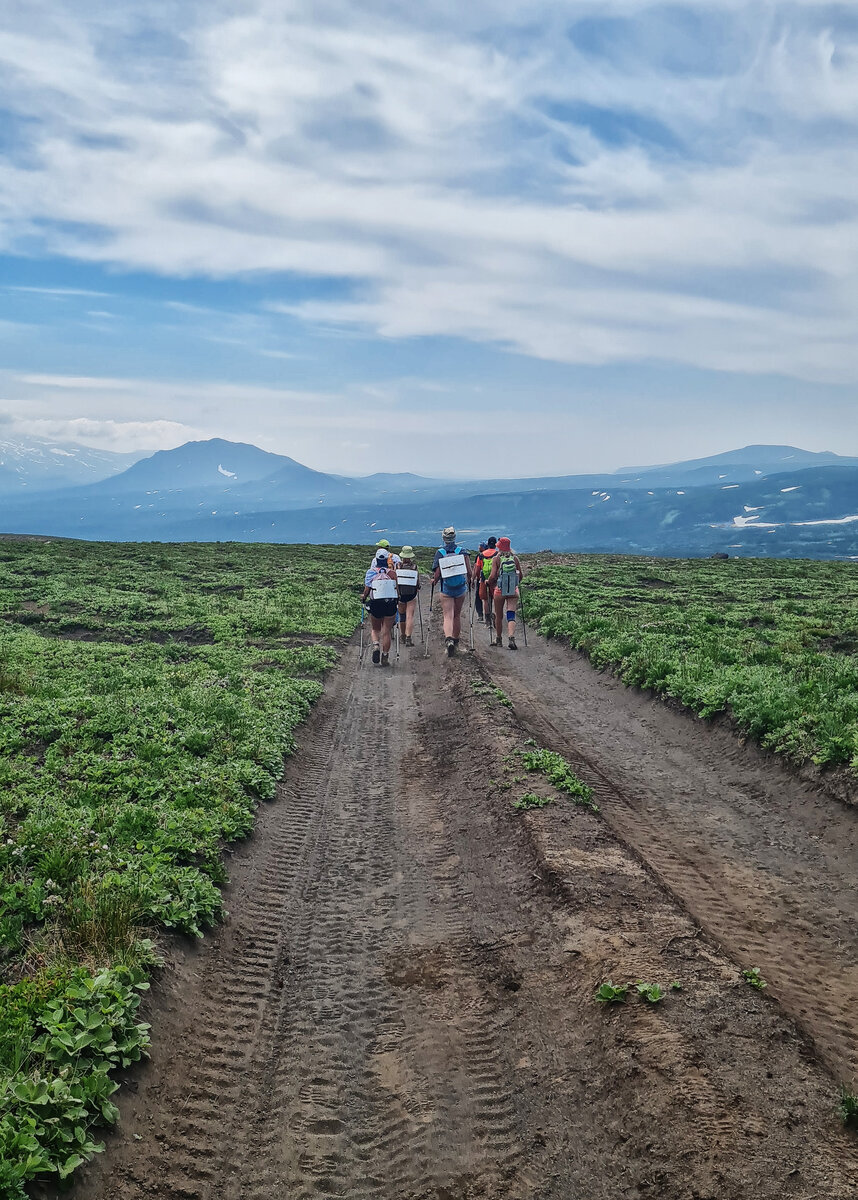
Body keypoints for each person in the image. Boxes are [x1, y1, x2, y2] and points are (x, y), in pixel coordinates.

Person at [432, 526, 472, 657]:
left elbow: (437, 573)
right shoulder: (462, 551)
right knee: (457, 615)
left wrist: (434, 581)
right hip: (460, 588)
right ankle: (456, 641)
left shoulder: (440, 553)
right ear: (455, 538)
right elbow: (469, 571)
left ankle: (448, 639)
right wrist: (470, 581)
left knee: (447, 615)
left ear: (444, 538)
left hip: (446, 588)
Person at [362, 549, 399, 666]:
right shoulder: (392, 573)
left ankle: (376, 645)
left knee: (375, 629)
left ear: (376, 560)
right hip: (390, 603)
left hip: (376, 603)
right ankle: (385, 656)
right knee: (386, 630)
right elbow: (397, 590)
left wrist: (363, 598)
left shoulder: (371, 572)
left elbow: (367, 590)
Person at [488, 536, 523, 650]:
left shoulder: (496, 559)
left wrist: (488, 582)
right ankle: (511, 637)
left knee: (499, 616)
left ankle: (498, 639)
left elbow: (493, 576)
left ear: (499, 547)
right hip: (513, 589)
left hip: (500, 590)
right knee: (511, 614)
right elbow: (520, 576)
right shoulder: (515, 558)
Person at [395, 546, 420, 647]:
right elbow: (417, 583)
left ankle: (402, 636)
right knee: (410, 616)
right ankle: (409, 638)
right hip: (411, 594)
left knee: (402, 616)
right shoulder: (414, 567)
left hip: (401, 595)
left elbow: (395, 580)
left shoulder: (397, 566)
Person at [474, 536, 498, 627]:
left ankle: (488, 621)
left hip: (484, 580)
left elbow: (477, 569)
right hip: (495, 580)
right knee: (496, 600)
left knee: (485, 600)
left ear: (488, 544)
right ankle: (496, 618)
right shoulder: (498, 554)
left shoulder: (481, 555)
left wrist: (479, 578)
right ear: (495, 544)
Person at [472, 542, 487, 621]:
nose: (478, 547)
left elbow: (476, 568)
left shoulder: (479, 556)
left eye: (480, 546)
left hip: (481, 579)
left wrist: (474, 578)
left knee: (478, 596)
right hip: (490, 579)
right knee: (488, 598)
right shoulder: (492, 555)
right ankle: (488, 615)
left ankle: (480, 615)